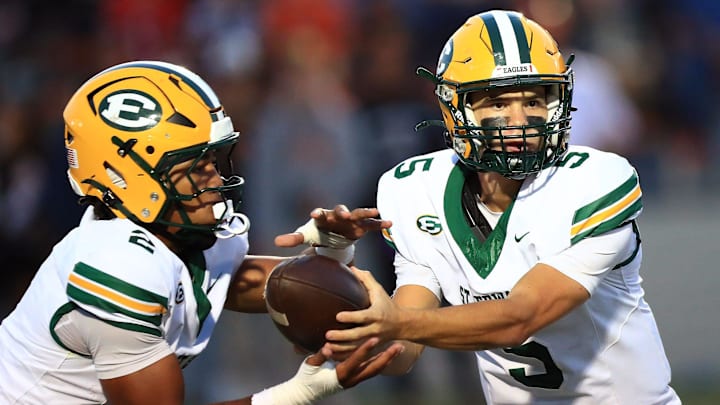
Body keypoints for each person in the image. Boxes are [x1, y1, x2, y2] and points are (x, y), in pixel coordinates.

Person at [325, 10, 682, 404]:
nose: (520, 119)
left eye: (534, 99)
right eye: (497, 102)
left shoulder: (595, 182)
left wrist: (398, 324)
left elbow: (521, 316)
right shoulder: (413, 189)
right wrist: (341, 321)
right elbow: (401, 350)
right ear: (455, 110)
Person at [0, 60, 402, 404]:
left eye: (212, 158)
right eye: (193, 167)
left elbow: (259, 283)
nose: (214, 178)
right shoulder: (115, 264)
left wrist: (331, 257)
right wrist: (296, 393)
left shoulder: (173, 239)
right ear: (125, 178)